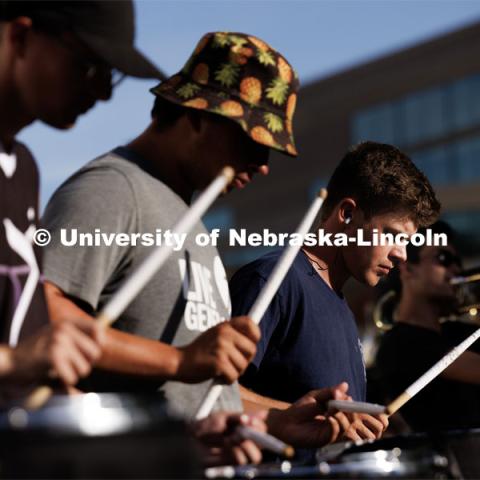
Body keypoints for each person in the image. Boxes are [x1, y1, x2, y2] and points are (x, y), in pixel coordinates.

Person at [41, 31, 371, 458]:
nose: (263, 165)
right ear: (197, 115)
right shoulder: (112, 190)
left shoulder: (188, 217)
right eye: (250, 142)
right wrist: (178, 360)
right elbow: (43, 317)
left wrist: (280, 420)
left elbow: (198, 393)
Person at [230, 142, 441, 448]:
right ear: (346, 214)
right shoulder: (273, 281)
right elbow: (212, 395)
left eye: (408, 242)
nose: (402, 255)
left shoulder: (340, 305)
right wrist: (295, 417)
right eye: (392, 235)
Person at [0, 0, 162, 391]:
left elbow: (30, 344)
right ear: (22, 37)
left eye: (112, 75)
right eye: (91, 65)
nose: (104, 93)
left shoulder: (23, 168)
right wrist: (12, 362)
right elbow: (21, 358)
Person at [369, 221, 480, 432]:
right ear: (407, 268)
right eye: (443, 259)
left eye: (457, 262)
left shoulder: (457, 332)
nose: (456, 269)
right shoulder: (399, 345)